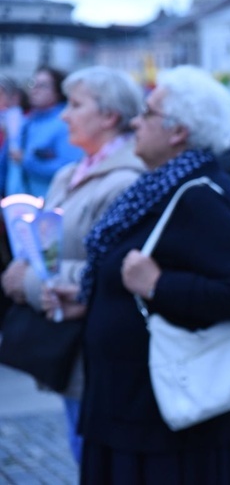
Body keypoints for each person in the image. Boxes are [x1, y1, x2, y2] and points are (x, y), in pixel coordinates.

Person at [46, 65, 230, 484]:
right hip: (128, 405)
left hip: (165, 424)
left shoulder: (201, 194)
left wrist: (158, 285)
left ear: (177, 131)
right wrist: (90, 300)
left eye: (147, 113)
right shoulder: (160, 184)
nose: (136, 122)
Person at [0, 66, 146, 464]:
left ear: (109, 116)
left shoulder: (125, 179)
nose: (64, 115)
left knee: (98, 452)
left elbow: (113, 271)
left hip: (99, 344)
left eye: (76, 105)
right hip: (65, 337)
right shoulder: (70, 172)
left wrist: (27, 281)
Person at [15, 66, 83, 197]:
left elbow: (69, 167)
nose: (34, 90)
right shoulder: (27, 121)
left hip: (48, 204)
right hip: (18, 206)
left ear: (57, 91)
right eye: (32, 83)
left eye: (42, 86)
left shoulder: (66, 122)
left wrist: (27, 161)